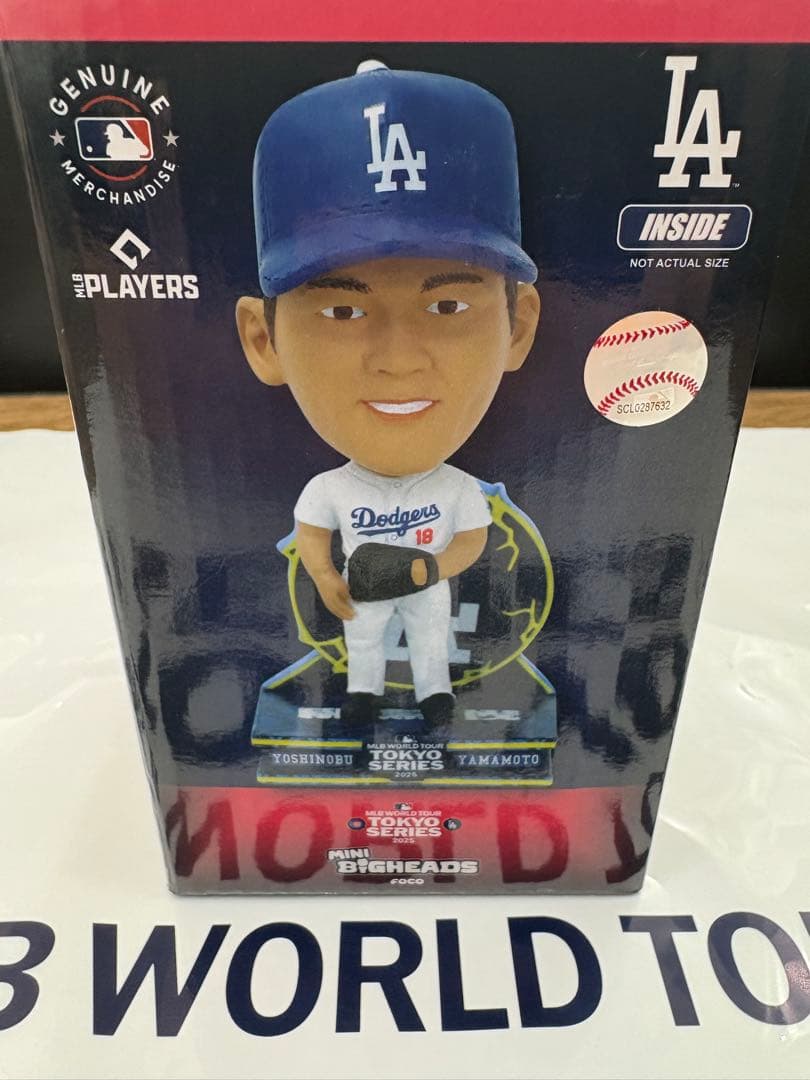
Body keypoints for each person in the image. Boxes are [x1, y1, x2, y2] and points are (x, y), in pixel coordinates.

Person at [237, 60, 540, 726]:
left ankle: (436, 696)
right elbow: (314, 533)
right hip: (363, 589)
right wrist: (325, 577)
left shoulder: (458, 488)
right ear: (264, 340)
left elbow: (471, 539)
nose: (399, 361)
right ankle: (362, 694)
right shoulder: (330, 489)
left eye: (448, 306)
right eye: (343, 311)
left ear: (518, 327)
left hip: (424, 583)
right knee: (364, 642)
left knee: (432, 640)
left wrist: (431, 570)